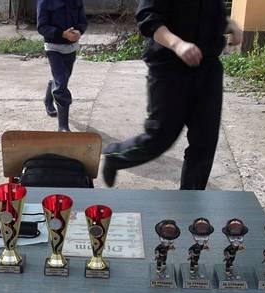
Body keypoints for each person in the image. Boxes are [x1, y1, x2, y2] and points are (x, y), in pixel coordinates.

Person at [102, 0, 243, 190]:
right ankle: (115, 156)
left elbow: (211, 14)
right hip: (169, 68)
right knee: (160, 137)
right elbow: (149, 18)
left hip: (208, 68)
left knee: (205, 142)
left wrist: (230, 24)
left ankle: (190, 199)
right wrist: (178, 44)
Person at [37, 0, 87, 132]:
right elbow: (42, 27)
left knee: (61, 79)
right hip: (53, 48)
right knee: (61, 84)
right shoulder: (45, 1)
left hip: (71, 48)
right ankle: (63, 127)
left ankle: (48, 100)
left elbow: (83, 21)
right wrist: (62, 34)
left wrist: (79, 31)